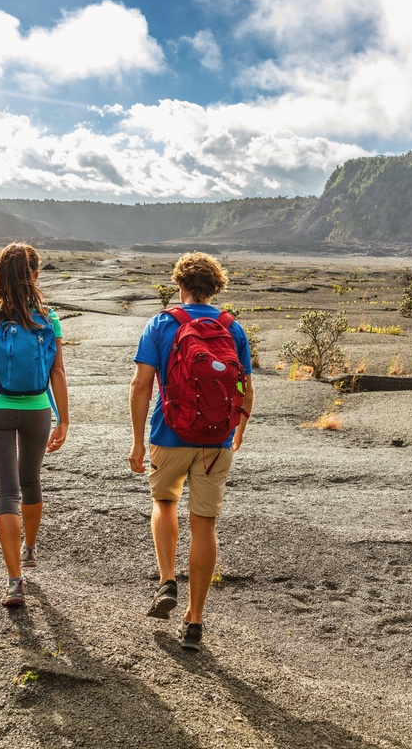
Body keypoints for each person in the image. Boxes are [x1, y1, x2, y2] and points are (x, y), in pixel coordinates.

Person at [129, 251, 253, 651]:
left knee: (164, 502)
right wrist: (239, 430)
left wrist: (136, 441)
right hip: (216, 441)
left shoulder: (161, 323)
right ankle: (195, 621)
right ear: (216, 287)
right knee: (205, 524)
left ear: (179, 285)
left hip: (169, 436)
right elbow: (244, 386)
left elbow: (141, 385)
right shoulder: (233, 328)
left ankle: (167, 581)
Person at [0, 242, 69, 607]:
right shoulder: (48, 315)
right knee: (31, 481)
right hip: (38, 409)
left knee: (6, 492)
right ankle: (30, 548)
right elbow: (57, 371)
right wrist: (64, 419)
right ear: (35, 276)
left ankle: (14, 581)